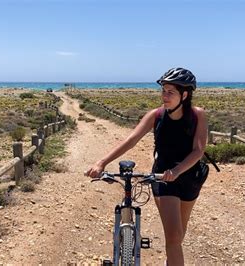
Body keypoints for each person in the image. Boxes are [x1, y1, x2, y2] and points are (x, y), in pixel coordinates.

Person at [85, 67, 208, 265]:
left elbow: (198, 150)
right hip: (163, 177)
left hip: (189, 176)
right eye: (163, 91)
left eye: (171, 92)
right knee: (174, 238)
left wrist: (177, 171)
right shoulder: (156, 115)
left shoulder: (197, 115)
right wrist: (101, 162)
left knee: (179, 235)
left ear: (184, 95)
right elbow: (131, 139)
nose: (165, 96)